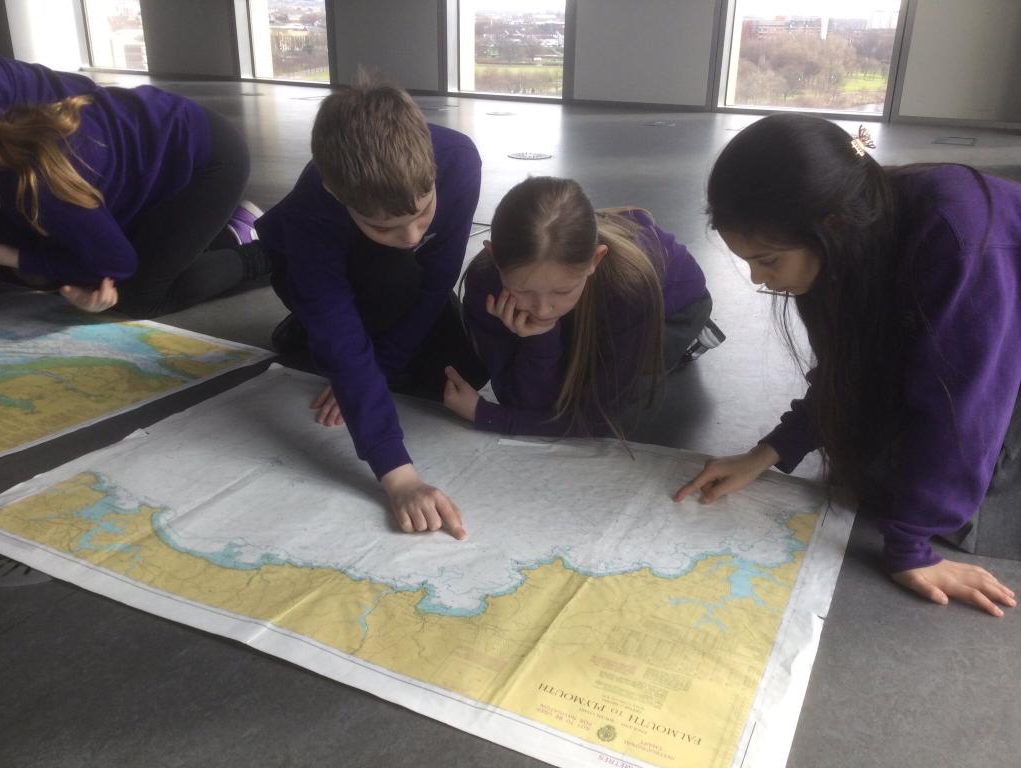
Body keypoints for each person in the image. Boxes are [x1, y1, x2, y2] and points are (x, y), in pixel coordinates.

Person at [674, 113, 1020, 617]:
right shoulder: (850, 236)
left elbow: (966, 404)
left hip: (1000, 322)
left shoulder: (957, 239)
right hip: (973, 320)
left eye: (768, 260)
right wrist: (768, 453)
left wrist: (910, 551)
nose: (756, 279)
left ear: (830, 228)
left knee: (961, 506)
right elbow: (849, 369)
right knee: (878, 468)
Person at [256, 79, 487, 540]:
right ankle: (302, 324)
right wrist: (397, 474)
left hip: (399, 280)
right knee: (377, 293)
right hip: (321, 274)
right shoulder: (312, 210)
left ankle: (343, 345)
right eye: (387, 226)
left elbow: (439, 278)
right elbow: (339, 331)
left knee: (462, 372)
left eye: (423, 214)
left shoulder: (459, 160)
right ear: (338, 194)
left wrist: (379, 366)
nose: (412, 237)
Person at [444, 176, 721, 440]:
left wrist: (487, 415)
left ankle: (690, 340)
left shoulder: (629, 289)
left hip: (675, 309)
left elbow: (596, 420)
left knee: (597, 380)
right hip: (596, 297)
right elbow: (525, 402)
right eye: (523, 290)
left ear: (595, 260)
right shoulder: (485, 282)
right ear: (494, 258)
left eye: (562, 290)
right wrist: (540, 337)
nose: (541, 309)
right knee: (566, 356)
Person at [0, 56, 269, 317]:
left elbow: (116, 263)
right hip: (138, 152)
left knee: (139, 295)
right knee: (37, 253)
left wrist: (13, 257)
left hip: (204, 162)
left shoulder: (38, 183)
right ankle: (210, 230)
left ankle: (269, 251)